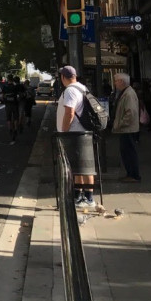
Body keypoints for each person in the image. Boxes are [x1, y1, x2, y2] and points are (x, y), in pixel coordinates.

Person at [56, 66, 97, 209]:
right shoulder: (82, 88)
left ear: (63, 77)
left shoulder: (70, 90)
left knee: (81, 166)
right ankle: (81, 195)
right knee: (82, 166)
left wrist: (64, 132)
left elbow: (69, 113)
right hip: (83, 132)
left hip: (74, 133)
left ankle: (87, 198)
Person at [111, 72, 141, 182]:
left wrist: (120, 123)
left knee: (129, 152)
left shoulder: (128, 94)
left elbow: (131, 112)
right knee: (126, 152)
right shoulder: (126, 92)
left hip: (127, 129)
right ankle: (130, 174)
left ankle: (133, 175)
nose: (115, 83)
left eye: (116, 81)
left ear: (122, 82)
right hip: (126, 128)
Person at [3, 75, 22, 143]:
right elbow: (18, 95)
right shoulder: (15, 87)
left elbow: (3, 96)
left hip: (8, 104)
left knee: (8, 118)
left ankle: (10, 129)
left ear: (7, 79)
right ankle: (16, 129)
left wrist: (5, 100)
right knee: (15, 117)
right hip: (15, 104)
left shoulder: (5, 87)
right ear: (13, 80)